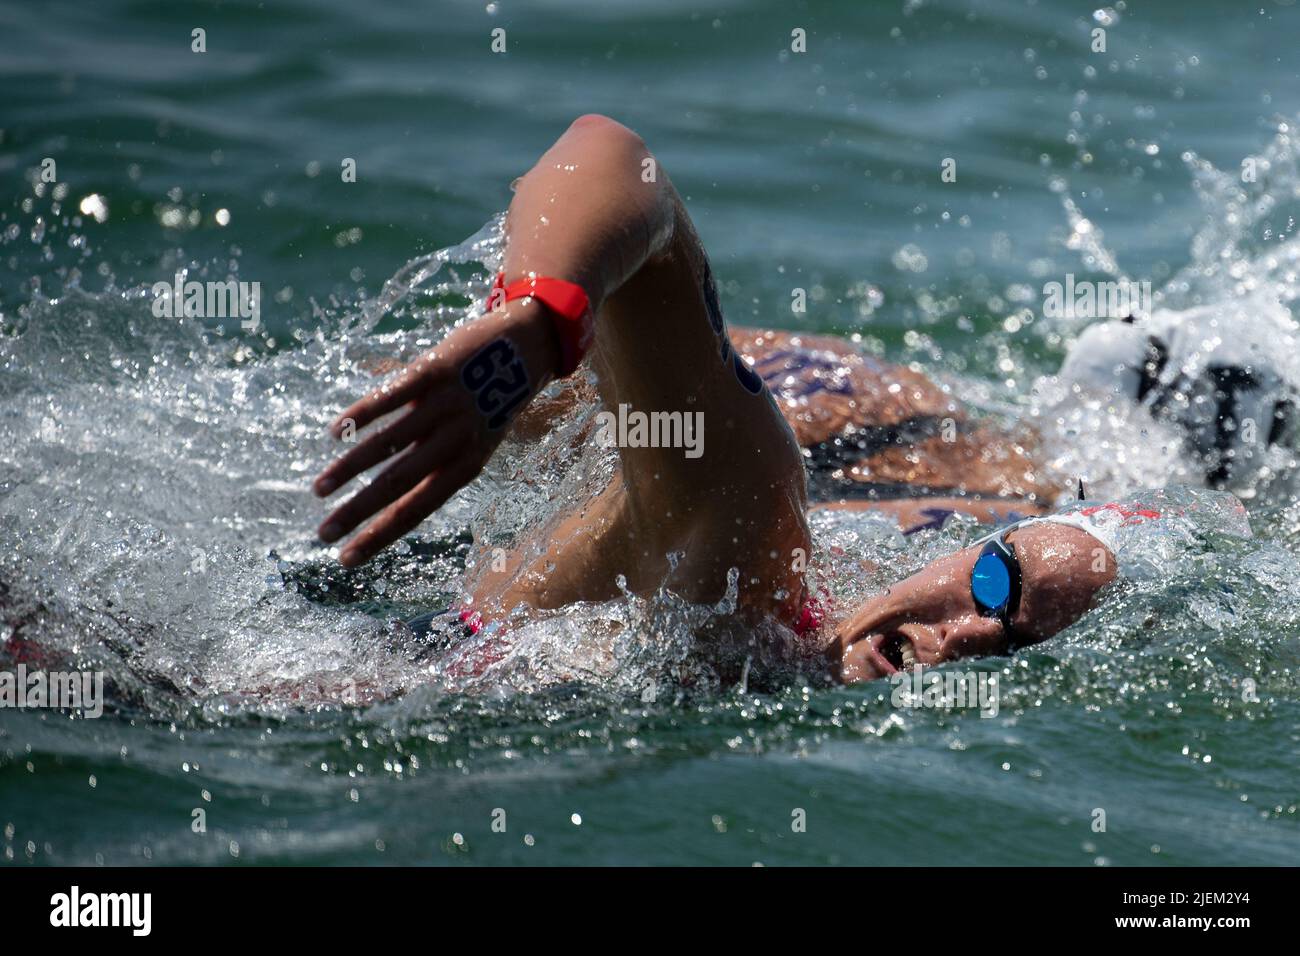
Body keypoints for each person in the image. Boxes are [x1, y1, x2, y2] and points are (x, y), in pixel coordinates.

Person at [311, 115, 1246, 684]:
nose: (962, 642)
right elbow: (618, 160)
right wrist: (537, 323)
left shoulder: (790, 580)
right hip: (832, 414)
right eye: (992, 586)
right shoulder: (752, 555)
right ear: (976, 555)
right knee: (538, 405)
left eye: (1012, 648)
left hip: (875, 456)